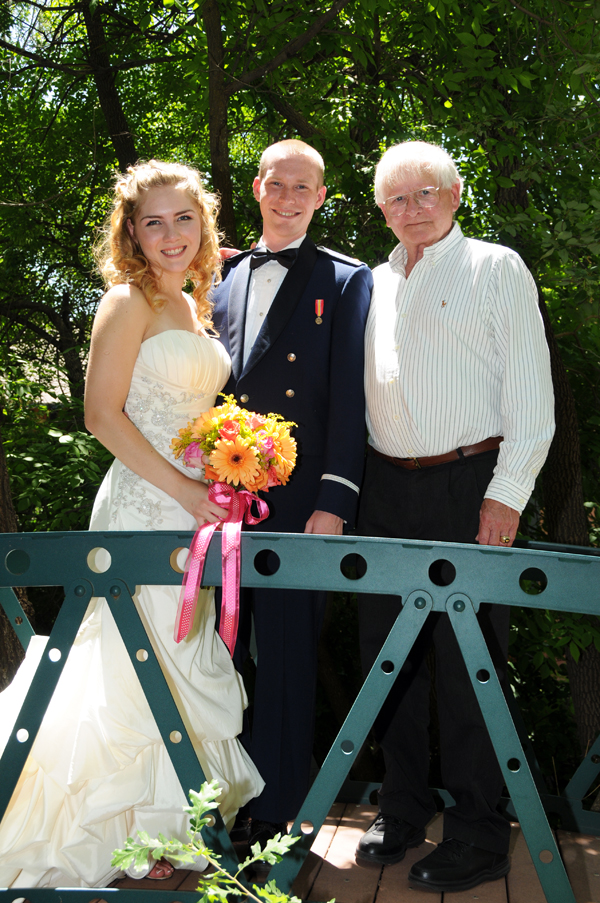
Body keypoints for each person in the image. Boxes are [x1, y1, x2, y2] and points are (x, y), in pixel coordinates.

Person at [0, 160, 264, 888]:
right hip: (146, 505)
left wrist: (228, 467)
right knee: (132, 661)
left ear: (204, 224)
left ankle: (159, 832)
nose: (171, 233)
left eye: (184, 218)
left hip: (194, 512)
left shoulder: (192, 305)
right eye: (154, 221)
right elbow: (100, 415)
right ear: (132, 233)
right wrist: (184, 486)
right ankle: (114, 831)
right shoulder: (128, 300)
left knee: (175, 654)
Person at [355, 141, 555, 893]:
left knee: (470, 664)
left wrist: (505, 494)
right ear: (381, 208)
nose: (412, 209)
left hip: (471, 483)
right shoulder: (370, 282)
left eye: (426, 192)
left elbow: (532, 398)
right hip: (383, 490)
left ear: (456, 193)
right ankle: (400, 808)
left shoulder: (496, 267)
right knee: (388, 656)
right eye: (396, 199)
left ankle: (476, 831)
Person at [211, 139, 373, 847]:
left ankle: (277, 816)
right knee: (216, 652)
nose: (288, 198)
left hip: (303, 501)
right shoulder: (216, 274)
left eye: (303, 187)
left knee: (284, 654)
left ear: (321, 197)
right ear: (256, 188)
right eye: (277, 184)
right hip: (216, 501)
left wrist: (334, 500)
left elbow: (348, 396)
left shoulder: (344, 279)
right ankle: (218, 800)